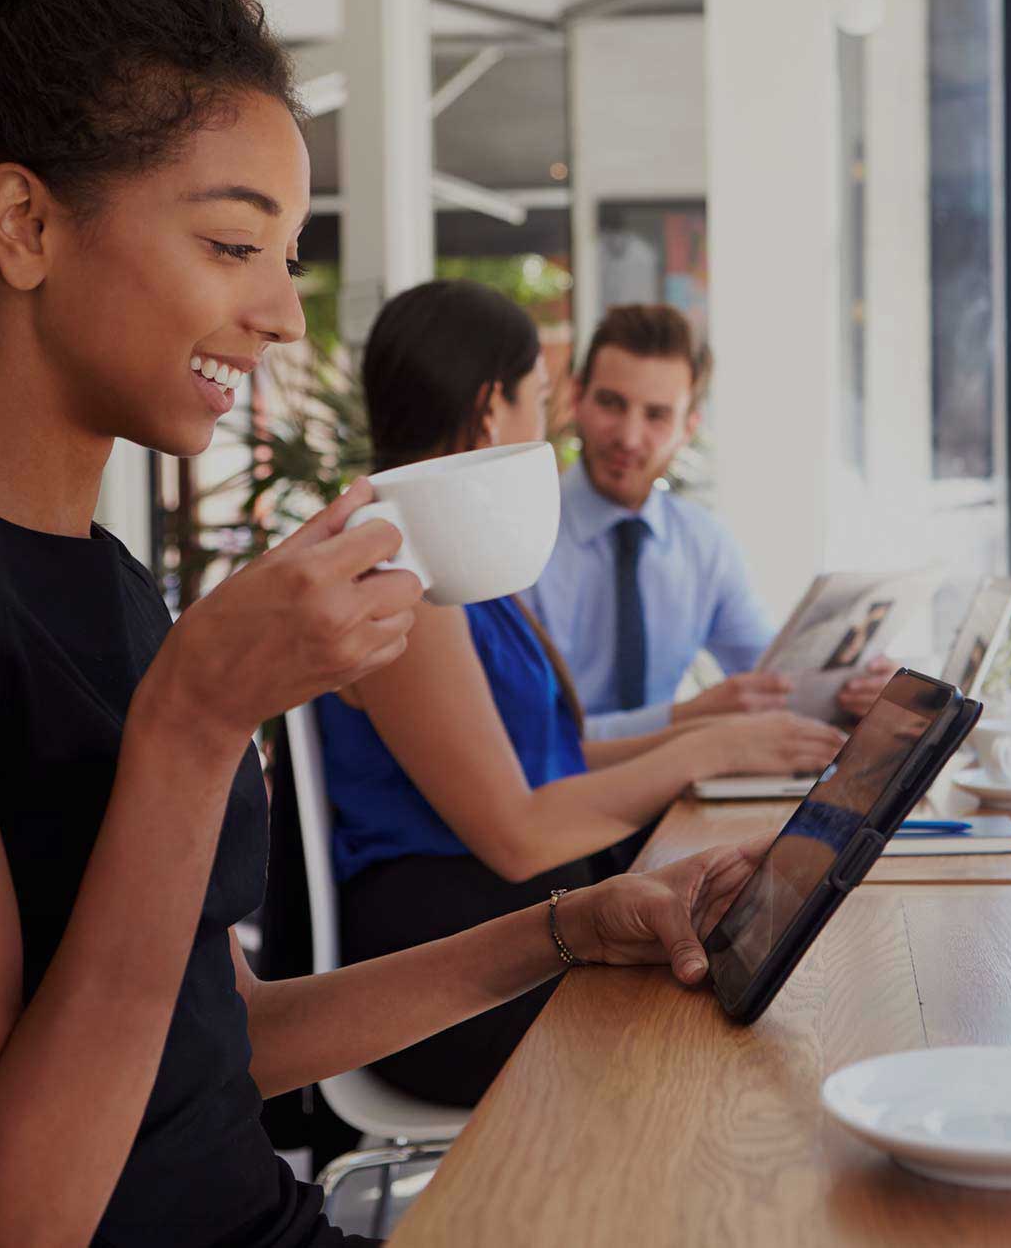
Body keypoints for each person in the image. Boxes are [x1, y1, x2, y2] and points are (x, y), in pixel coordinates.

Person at [0, 0, 768, 1245]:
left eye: (286, 258)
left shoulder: (95, 582)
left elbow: (225, 1048)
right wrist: (198, 718)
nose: (284, 314)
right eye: (234, 247)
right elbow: (5, 1216)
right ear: (25, 223)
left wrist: (568, 931)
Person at [320, 279, 845, 1106]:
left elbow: (549, 760)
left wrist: (708, 739)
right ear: (492, 411)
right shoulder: (402, 576)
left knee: (764, 976)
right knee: (738, 1019)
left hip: (511, 926)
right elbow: (519, 835)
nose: (549, 431)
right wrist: (701, 747)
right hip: (445, 970)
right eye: (540, 399)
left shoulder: (450, 556)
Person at [527, 305, 895, 738]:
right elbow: (529, 740)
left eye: (657, 415)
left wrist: (857, 691)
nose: (628, 436)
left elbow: (779, 685)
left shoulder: (702, 544)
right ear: (576, 399)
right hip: (555, 795)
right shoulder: (523, 542)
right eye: (612, 403)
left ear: (688, 428)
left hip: (676, 793)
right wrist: (685, 718)